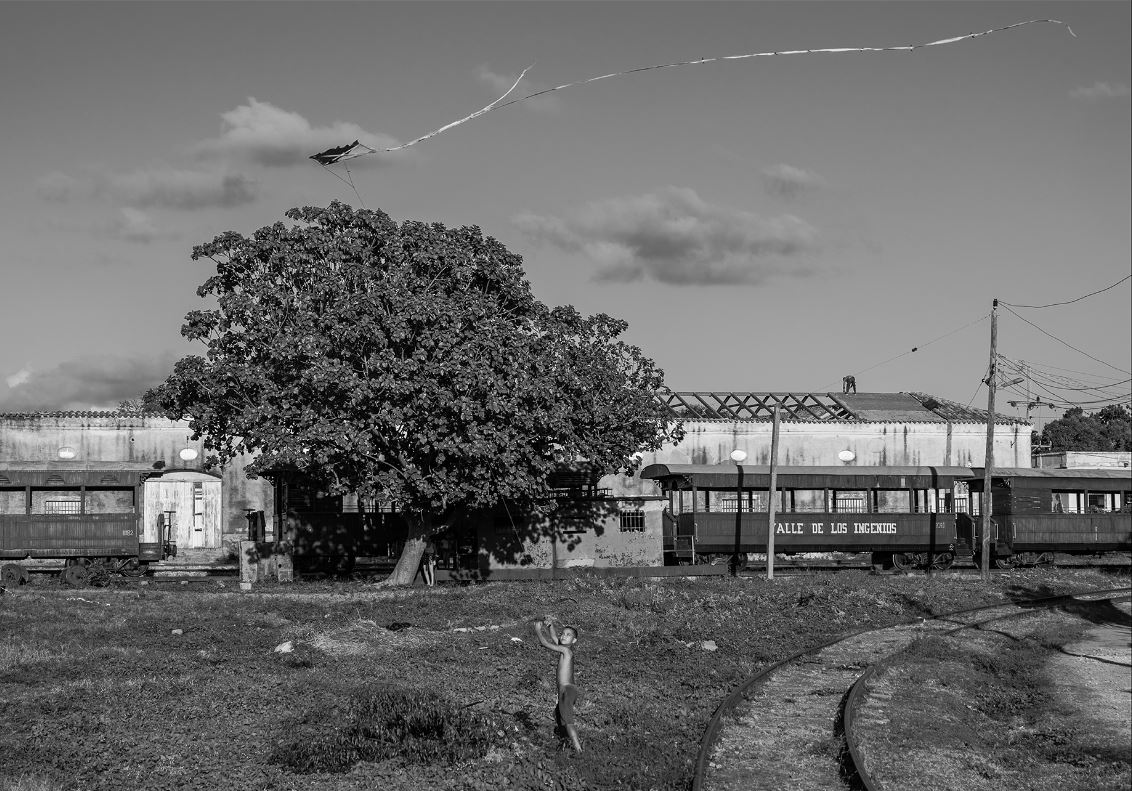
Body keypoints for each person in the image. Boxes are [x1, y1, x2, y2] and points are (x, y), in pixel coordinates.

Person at [533, 619, 583, 753]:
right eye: (563, 633)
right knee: (558, 715)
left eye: (568, 635)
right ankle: (564, 743)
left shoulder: (567, 652)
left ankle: (578, 749)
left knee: (568, 720)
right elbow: (555, 638)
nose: (564, 636)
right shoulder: (564, 649)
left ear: (574, 641)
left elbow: (544, 643)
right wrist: (550, 626)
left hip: (567, 690)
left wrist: (538, 630)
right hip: (564, 691)